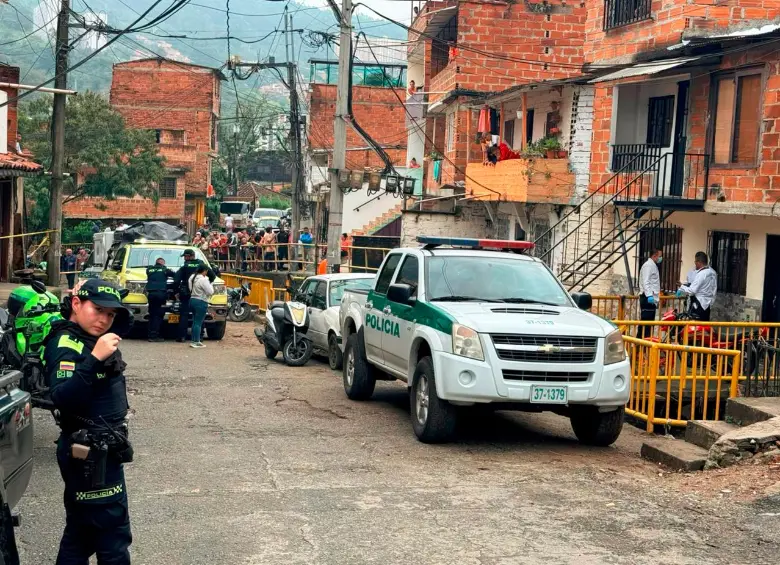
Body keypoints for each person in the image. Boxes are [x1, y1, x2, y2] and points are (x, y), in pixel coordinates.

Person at [42, 278, 134, 565]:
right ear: (77, 304)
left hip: (99, 449)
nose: (104, 320)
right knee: (113, 538)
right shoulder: (67, 343)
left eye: (111, 314)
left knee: (81, 534)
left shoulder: (87, 336)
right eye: (98, 310)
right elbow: (63, 397)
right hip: (91, 453)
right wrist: (95, 358)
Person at [173, 249, 216, 343]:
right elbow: (213, 275)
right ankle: (199, 337)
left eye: (185, 256)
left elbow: (176, 280)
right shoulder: (201, 265)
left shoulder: (184, 266)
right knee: (199, 317)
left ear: (190, 256)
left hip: (186, 293)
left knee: (184, 315)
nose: (184, 258)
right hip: (200, 294)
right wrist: (207, 284)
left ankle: (182, 337)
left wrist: (176, 291)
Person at [677, 251, 717, 321]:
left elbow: (692, 291)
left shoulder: (701, 274)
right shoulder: (712, 272)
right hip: (707, 305)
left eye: (695, 261)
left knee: (696, 328)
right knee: (704, 326)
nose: (695, 264)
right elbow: (714, 289)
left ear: (699, 262)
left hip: (699, 305)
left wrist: (682, 286)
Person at [145, 257, 175, 343]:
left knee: (152, 314)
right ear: (162, 263)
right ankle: (154, 335)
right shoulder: (165, 270)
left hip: (151, 294)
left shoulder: (149, 269)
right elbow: (174, 274)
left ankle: (150, 334)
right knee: (158, 315)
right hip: (160, 294)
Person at [638, 247, 662, 338]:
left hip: (651, 298)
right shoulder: (648, 265)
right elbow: (646, 281)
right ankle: (641, 346)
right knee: (646, 325)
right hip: (647, 298)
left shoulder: (652, 265)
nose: (660, 258)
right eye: (659, 256)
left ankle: (642, 346)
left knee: (648, 324)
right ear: (654, 255)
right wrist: (649, 296)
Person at [188, 265, 213, 348]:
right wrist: (211, 283)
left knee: (195, 321)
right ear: (204, 271)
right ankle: (196, 341)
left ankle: (193, 340)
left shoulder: (192, 277)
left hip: (192, 300)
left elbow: (190, 288)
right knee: (198, 322)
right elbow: (210, 292)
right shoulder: (203, 279)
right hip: (201, 301)